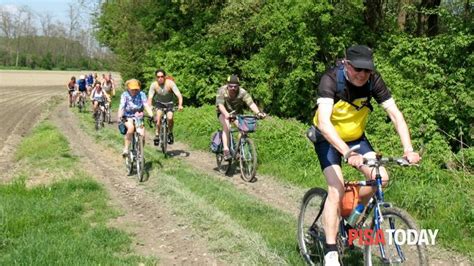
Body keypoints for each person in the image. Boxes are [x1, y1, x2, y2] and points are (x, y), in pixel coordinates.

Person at [312, 45, 421, 265]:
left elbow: (395, 115)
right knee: (336, 187)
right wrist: (346, 152)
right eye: (357, 70)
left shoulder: (374, 81)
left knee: (381, 178)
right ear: (346, 64)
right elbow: (324, 123)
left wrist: (408, 149)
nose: (362, 75)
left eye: (367, 70)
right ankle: (330, 252)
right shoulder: (331, 79)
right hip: (327, 138)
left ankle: (350, 224)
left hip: (356, 138)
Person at [216, 74, 266, 160]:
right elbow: (220, 105)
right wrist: (226, 114)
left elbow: (251, 103)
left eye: (235, 86)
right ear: (227, 85)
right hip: (223, 112)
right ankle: (226, 150)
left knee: (244, 129)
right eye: (230, 86)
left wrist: (258, 113)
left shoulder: (242, 92)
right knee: (226, 126)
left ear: (238, 85)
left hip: (236, 113)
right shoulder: (222, 90)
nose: (233, 88)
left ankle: (238, 149)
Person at [117, 79, 154, 157]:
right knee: (131, 128)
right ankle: (126, 149)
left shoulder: (142, 94)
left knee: (142, 134)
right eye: (132, 89)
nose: (134, 90)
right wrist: (120, 116)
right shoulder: (125, 94)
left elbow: (146, 105)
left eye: (136, 89)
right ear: (128, 88)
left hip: (138, 116)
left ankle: (140, 153)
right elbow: (122, 106)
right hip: (127, 116)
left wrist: (151, 115)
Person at [147, 69, 183, 145]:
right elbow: (150, 97)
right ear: (156, 77)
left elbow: (179, 96)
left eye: (162, 76)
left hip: (169, 103)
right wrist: (150, 106)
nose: (160, 78)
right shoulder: (154, 85)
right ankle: (157, 134)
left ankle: (170, 132)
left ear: (165, 77)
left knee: (170, 118)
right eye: (158, 77)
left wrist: (180, 105)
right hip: (159, 103)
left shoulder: (170, 83)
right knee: (158, 117)